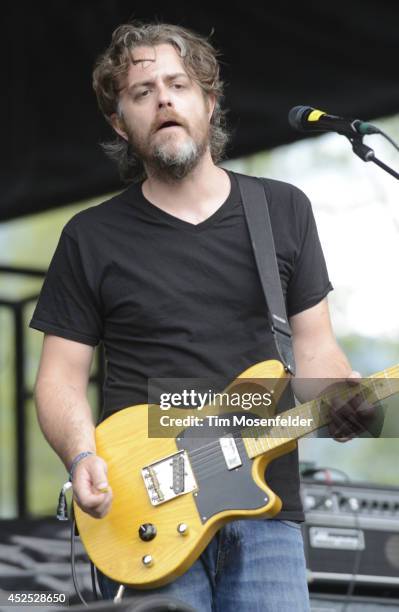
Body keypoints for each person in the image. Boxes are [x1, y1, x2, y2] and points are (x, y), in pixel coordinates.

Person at [30, 21, 377, 612]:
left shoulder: (282, 210)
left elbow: (316, 351)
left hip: (266, 505)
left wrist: (343, 397)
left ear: (209, 102)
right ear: (120, 123)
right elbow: (59, 379)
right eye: (142, 92)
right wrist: (82, 456)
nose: (163, 99)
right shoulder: (90, 237)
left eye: (178, 84)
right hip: (146, 504)